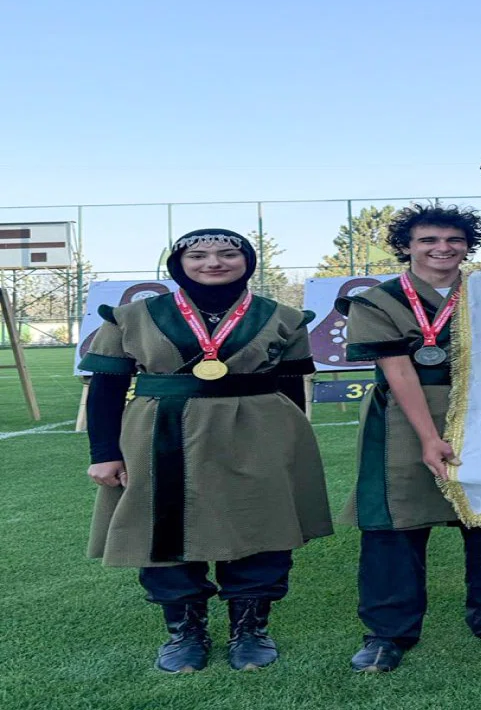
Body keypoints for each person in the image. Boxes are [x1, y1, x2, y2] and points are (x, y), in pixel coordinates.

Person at [81, 229, 332, 673]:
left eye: (227, 253)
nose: (213, 262)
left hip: (260, 433)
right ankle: (185, 631)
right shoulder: (130, 316)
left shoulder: (283, 317)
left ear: (247, 261)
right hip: (160, 435)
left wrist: (289, 447)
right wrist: (104, 452)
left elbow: (291, 385)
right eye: (197, 255)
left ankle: (250, 629)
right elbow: (106, 388)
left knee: (260, 524)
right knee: (164, 529)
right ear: (178, 264)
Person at [337, 202, 481, 673]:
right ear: (407, 246)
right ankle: (387, 634)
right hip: (405, 419)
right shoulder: (376, 301)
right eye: (429, 240)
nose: (443, 248)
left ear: (468, 246)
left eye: (454, 240)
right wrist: (428, 437)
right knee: (394, 525)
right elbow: (398, 371)